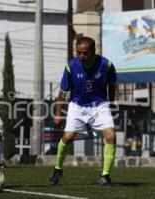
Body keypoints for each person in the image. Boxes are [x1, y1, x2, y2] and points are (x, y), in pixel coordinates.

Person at [49, 37, 117, 187]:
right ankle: (57, 169)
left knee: (111, 136)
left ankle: (105, 176)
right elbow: (62, 92)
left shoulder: (107, 65)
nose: (81, 56)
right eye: (79, 53)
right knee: (67, 137)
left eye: (85, 53)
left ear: (93, 51)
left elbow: (112, 85)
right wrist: (58, 113)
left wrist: (111, 104)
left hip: (100, 106)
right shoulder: (71, 66)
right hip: (77, 106)